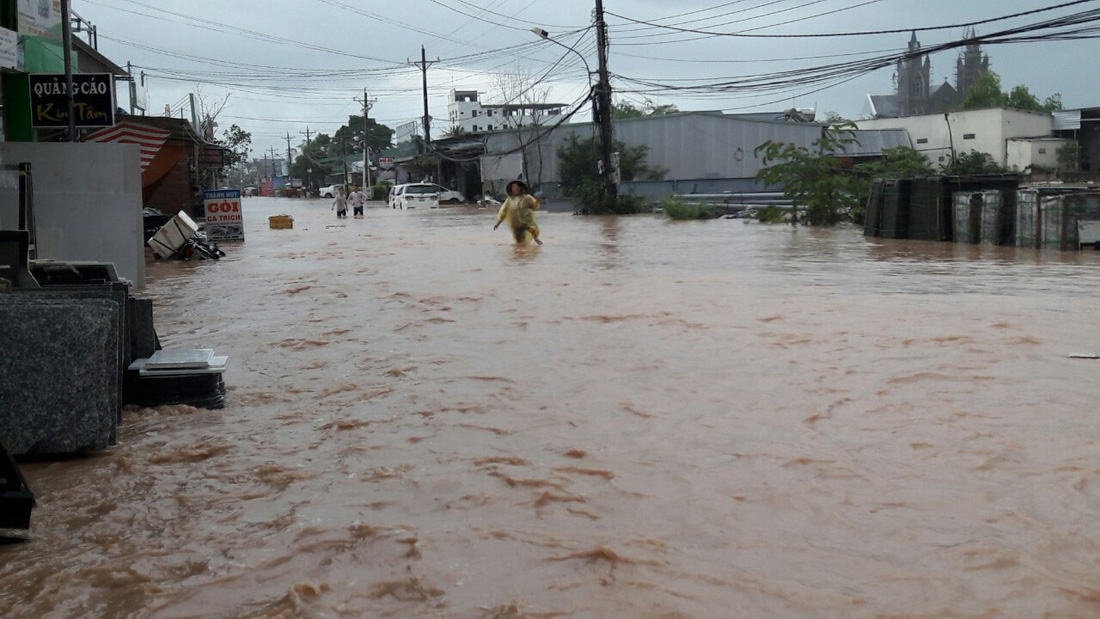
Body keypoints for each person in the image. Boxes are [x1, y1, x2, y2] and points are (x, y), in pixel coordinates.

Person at [493, 180, 542, 245]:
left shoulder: (526, 198)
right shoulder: (509, 200)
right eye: (512, 187)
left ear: (520, 188)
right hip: (516, 225)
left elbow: (534, 206)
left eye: (515, 186)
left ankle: (536, 239)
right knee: (519, 243)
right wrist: (498, 223)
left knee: (533, 229)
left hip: (526, 221)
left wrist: (537, 200)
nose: (513, 188)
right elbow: (503, 211)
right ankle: (521, 251)